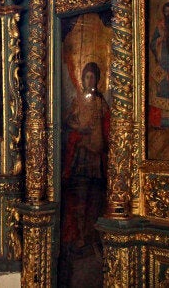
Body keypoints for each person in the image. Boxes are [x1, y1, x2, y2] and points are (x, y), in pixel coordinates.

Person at [59, 63, 109, 286]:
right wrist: (80, 129)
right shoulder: (78, 100)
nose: (90, 81)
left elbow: (109, 124)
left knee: (94, 196)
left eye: (92, 78)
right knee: (78, 196)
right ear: (82, 79)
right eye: (86, 77)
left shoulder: (100, 102)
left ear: (97, 80)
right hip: (81, 153)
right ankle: (78, 235)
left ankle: (90, 234)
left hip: (95, 154)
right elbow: (68, 120)